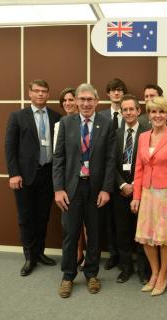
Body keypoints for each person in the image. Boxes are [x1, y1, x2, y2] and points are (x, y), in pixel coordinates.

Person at [53, 83, 116, 298]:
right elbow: (58, 158)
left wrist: (107, 189)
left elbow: (110, 160)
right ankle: (68, 276)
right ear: (76, 101)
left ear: (97, 102)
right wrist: (58, 188)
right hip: (71, 188)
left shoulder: (107, 124)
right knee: (71, 234)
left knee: (94, 234)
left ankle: (91, 274)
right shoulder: (65, 123)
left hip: (96, 188)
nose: (86, 103)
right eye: (82, 99)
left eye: (90, 99)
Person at [130, 97, 167, 296]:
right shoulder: (143, 137)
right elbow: (138, 169)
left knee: (164, 240)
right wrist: (136, 196)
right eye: (153, 112)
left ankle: (164, 275)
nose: (157, 116)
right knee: (146, 239)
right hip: (146, 193)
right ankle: (154, 273)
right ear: (148, 114)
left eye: (161, 112)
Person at [5, 79, 61, 276]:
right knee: (26, 217)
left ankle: (40, 253)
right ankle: (29, 257)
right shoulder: (18, 117)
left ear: (48, 94)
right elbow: (10, 148)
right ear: (29, 93)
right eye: (36, 91)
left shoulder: (56, 117)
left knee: (42, 216)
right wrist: (14, 173)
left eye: (44, 91)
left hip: (48, 174)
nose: (40, 94)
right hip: (25, 176)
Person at [112, 94, 150, 284]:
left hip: (142, 190)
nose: (128, 112)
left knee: (141, 231)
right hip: (120, 191)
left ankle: (143, 270)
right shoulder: (116, 134)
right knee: (123, 231)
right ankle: (126, 268)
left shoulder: (148, 133)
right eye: (124, 110)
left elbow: (149, 164)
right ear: (121, 112)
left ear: (138, 111)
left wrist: (135, 185)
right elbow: (111, 163)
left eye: (131, 109)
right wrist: (122, 185)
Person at [53, 87, 86, 270]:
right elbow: (58, 156)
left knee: (87, 224)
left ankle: (85, 255)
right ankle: (74, 257)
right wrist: (59, 186)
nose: (68, 103)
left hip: (87, 181)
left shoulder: (93, 123)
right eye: (64, 100)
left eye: (71, 99)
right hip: (67, 182)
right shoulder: (61, 124)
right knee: (71, 227)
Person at [100, 78, 127, 270]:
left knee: (125, 221)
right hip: (106, 175)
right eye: (113, 90)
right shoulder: (100, 117)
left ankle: (127, 255)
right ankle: (113, 254)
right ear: (108, 93)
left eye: (120, 90)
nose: (116, 93)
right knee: (108, 220)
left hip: (127, 175)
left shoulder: (131, 115)